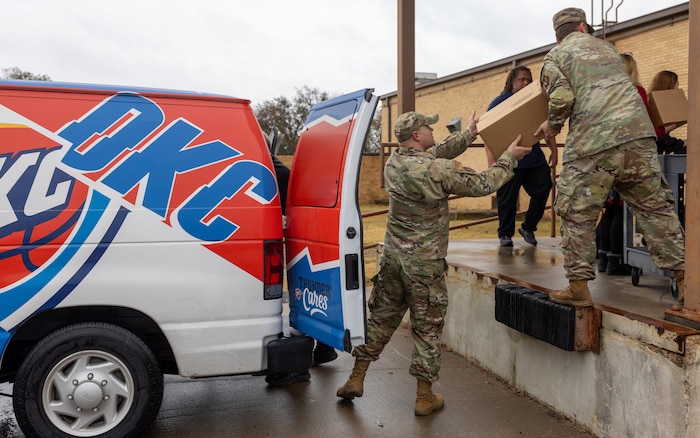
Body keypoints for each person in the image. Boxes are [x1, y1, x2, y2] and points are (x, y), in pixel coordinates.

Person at [336, 110, 532, 416]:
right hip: (424, 267)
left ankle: (356, 377)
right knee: (427, 329)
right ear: (417, 135)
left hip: (392, 262)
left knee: (380, 320)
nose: (432, 131)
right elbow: (483, 183)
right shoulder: (436, 170)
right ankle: (424, 397)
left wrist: (469, 133)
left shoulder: (394, 163)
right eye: (428, 127)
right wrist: (510, 156)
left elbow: (437, 151)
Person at [535, 7, 685, 310]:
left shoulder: (556, 56)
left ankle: (578, 287)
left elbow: (563, 98)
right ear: (582, 27)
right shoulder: (610, 50)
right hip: (639, 138)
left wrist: (551, 126)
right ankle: (687, 284)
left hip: (595, 143)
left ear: (558, 35)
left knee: (577, 213)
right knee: (657, 212)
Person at [271, 149, 338, 368]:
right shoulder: (277, 167)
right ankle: (322, 347)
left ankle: (319, 347)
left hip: (301, 231)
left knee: (307, 292)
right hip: (301, 230)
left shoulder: (270, 167)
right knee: (307, 291)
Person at [486, 66, 558, 247]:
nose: (525, 83)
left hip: (534, 159)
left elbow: (547, 128)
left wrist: (554, 151)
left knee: (545, 187)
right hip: (509, 160)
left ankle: (528, 227)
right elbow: (487, 133)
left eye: (528, 79)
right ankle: (505, 235)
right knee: (507, 199)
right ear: (512, 81)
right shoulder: (499, 103)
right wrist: (492, 162)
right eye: (522, 79)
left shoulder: (535, 101)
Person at [594, 52, 644, 276]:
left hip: (605, 155)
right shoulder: (635, 91)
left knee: (610, 210)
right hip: (628, 155)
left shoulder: (604, 92)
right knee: (622, 211)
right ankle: (618, 259)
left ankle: (605, 257)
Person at [648, 70, 686, 155]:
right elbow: (661, 139)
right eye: (677, 85)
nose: (678, 89)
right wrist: (680, 143)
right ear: (670, 86)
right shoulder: (658, 106)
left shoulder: (651, 102)